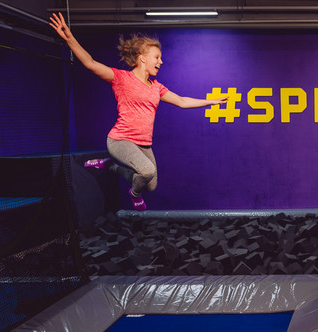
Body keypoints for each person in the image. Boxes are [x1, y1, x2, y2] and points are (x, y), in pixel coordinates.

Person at [49, 12, 228, 210]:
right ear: (142, 58)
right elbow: (90, 63)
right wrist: (69, 38)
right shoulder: (121, 78)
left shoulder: (156, 87)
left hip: (143, 144)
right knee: (146, 171)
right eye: (157, 57)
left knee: (150, 184)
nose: (161, 62)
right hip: (120, 140)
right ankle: (134, 194)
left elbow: (182, 101)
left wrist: (211, 102)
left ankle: (110, 166)